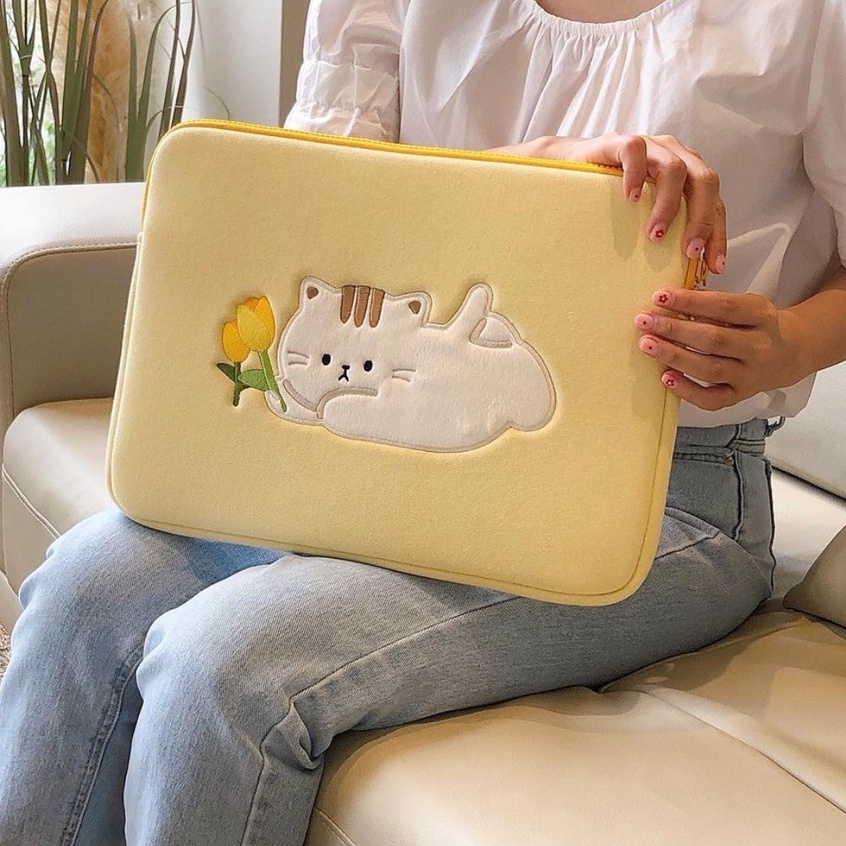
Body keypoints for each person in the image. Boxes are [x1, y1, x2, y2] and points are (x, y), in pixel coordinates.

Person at [1, 1, 845, 844]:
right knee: (84, 590)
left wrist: (790, 344)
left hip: (669, 499)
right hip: (381, 452)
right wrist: (537, 171)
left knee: (222, 665)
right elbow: (322, 201)